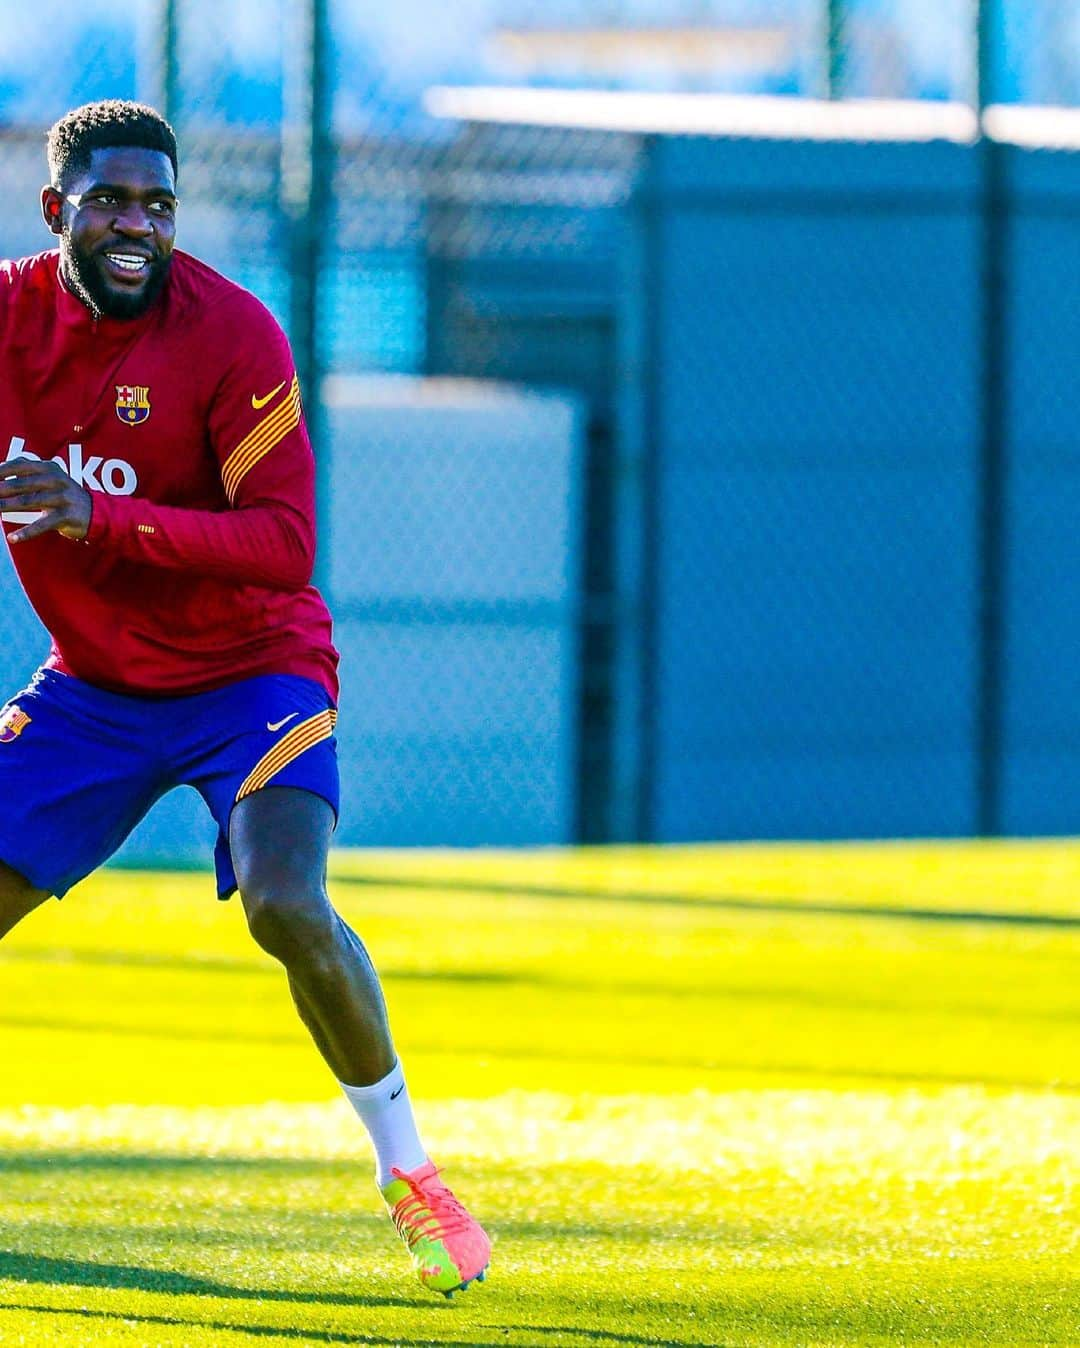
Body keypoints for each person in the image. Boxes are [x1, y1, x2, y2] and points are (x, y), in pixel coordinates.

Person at [0, 99, 490, 1299]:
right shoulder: (9, 314)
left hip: (250, 674)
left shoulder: (233, 335)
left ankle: (413, 1177)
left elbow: (284, 542)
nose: (136, 225)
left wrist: (92, 511)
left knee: (284, 902)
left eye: (158, 205)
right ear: (59, 210)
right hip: (98, 686)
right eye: (110, 201)